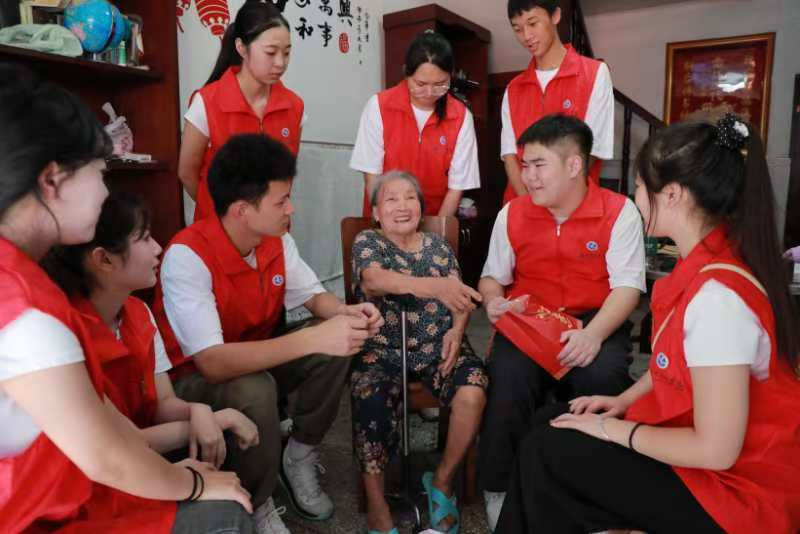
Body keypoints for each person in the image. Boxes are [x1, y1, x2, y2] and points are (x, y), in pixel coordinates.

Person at [496, 115, 800, 534]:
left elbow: (716, 450)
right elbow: (675, 367)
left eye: (639, 186)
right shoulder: (710, 264)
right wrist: (621, 402)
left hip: (737, 493)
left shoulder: (718, 300)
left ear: (671, 195)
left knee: (547, 452)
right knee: (549, 422)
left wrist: (612, 428)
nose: (635, 198)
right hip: (717, 466)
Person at [0, 64, 252, 533]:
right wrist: (194, 485)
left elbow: (107, 426)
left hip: (54, 493)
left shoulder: (26, 283)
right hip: (38, 515)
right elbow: (106, 457)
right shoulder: (26, 312)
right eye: (100, 173)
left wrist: (176, 475)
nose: (105, 192)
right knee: (227, 514)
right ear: (52, 181)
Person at [153, 133, 383, 533]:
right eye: (281, 201)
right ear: (242, 210)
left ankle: (299, 454)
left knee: (339, 339)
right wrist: (312, 338)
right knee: (256, 387)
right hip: (193, 383)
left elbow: (313, 296)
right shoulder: (187, 256)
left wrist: (345, 313)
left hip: (259, 356)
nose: (291, 209)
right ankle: (258, 501)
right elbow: (212, 363)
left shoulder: (276, 239)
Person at [478, 114, 645, 530]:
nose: (528, 177)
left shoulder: (618, 211)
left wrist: (593, 335)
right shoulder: (513, 213)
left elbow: (627, 288)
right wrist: (495, 302)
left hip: (595, 319)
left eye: (539, 165)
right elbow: (491, 277)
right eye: (525, 165)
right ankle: (499, 486)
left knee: (602, 376)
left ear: (574, 165)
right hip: (531, 319)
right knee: (507, 378)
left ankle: (593, 487)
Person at [42, 192, 259, 467]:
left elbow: (162, 403)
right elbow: (114, 443)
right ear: (104, 260)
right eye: (144, 238)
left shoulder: (138, 312)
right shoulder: (63, 335)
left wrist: (198, 410)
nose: (158, 248)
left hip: (138, 454)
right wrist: (217, 419)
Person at [350, 171, 487, 534]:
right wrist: (433, 287)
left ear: (421, 207)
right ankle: (377, 504)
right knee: (368, 395)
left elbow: (460, 298)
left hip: (437, 344)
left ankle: (442, 479)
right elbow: (374, 281)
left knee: (473, 389)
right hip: (382, 348)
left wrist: (457, 330)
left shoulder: (438, 246)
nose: (402, 206)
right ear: (376, 212)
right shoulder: (369, 242)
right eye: (391, 199)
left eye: (410, 197)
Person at [179, 0, 305, 221]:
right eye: (270, 52)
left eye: (286, 53)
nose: (280, 63)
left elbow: (285, 179)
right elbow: (187, 173)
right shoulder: (207, 102)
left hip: (271, 231)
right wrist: (220, 216)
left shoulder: (294, 107)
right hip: (219, 231)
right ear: (241, 48)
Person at [350, 31, 480, 217]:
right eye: (421, 84)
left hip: (433, 219)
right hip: (384, 219)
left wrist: (436, 232)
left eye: (440, 84)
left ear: (451, 76)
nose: (429, 92)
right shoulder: (379, 107)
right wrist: (385, 222)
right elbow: (372, 176)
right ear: (406, 73)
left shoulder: (460, 117)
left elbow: (456, 188)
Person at [500, 0, 614, 204]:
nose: (526, 36)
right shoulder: (513, 89)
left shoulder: (595, 74)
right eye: (518, 29)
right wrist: (530, 205)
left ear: (555, 16)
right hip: (521, 205)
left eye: (532, 23)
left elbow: (592, 151)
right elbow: (510, 157)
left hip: (573, 206)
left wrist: (554, 205)